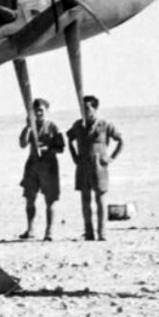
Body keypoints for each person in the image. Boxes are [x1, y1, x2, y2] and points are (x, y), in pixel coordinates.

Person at [66, 95, 124, 240]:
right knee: (85, 200)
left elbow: (121, 140)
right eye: (82, 109)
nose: (85, 112)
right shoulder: (78, 125)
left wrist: (111, 158)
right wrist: (74, 157)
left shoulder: (105, 125)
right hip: (83, 165)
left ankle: (102, 232)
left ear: (95, 108)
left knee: (100, 199)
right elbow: (69, 139)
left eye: (87, 108)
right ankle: (89, 232)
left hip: (99, 166)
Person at [18, 97, 65, 240]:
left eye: (41, 110)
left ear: (46, 111)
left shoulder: (53, 127)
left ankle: (49, 232)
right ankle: (30, 229)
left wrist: (48, 148)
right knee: (29, 198)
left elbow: (61, 147)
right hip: (32, 165)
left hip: (48, 166)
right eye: (36, 111)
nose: (39, 114)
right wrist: (27, 127)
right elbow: (22, 144)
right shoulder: (30, 126)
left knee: (50, 200)